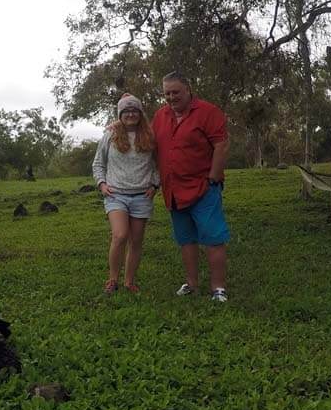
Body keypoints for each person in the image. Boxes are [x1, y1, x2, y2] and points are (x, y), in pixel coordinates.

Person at [152, 72, 231, 302]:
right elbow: (147, 140)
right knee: (185, 239)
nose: (171, 97)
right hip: (173, 190)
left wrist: (213, 178)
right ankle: (191, 284)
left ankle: (218, 288)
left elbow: (221, 145)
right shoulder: (160, 116)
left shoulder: (208, 112)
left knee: (213, 237)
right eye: (167, 93)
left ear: (188, 89)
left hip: (203, 188)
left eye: (175, 92)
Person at [92, 93, 160, 294]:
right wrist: (102, 184)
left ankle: (129, 281)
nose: (130, 114)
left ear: (140, 113)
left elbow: (159, 164)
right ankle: (113, 279)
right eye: (126, 111)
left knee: (136, 241)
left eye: (134, 110)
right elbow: (98, 163)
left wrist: (155, 185)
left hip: (141, 196)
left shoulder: (150, 136)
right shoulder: (110, 135)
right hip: (116, 195)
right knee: (120, 235)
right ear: (120, 114)